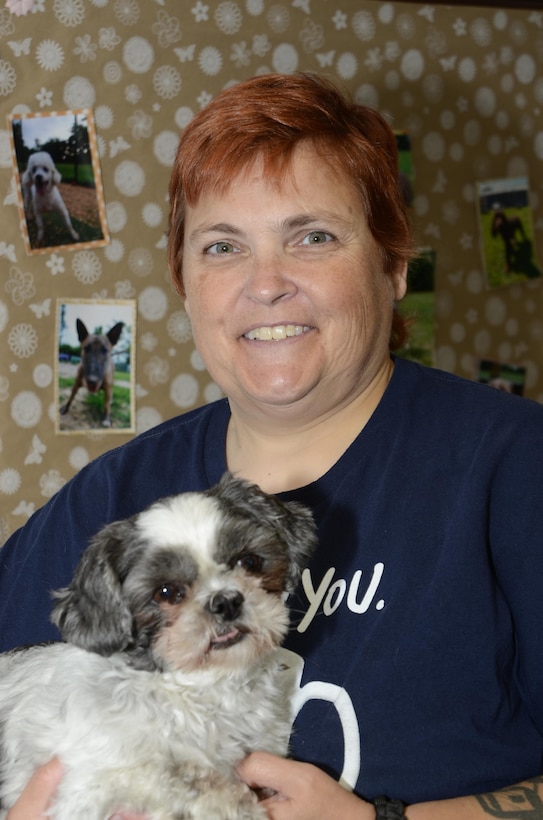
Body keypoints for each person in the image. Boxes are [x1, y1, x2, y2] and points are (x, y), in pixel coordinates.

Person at [1, 72, 543, 820]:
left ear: (392, 265)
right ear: (186, 283)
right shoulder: (109, 500)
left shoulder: (513, 468)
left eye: (311, 237)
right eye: (223, 247)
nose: (266, 284)